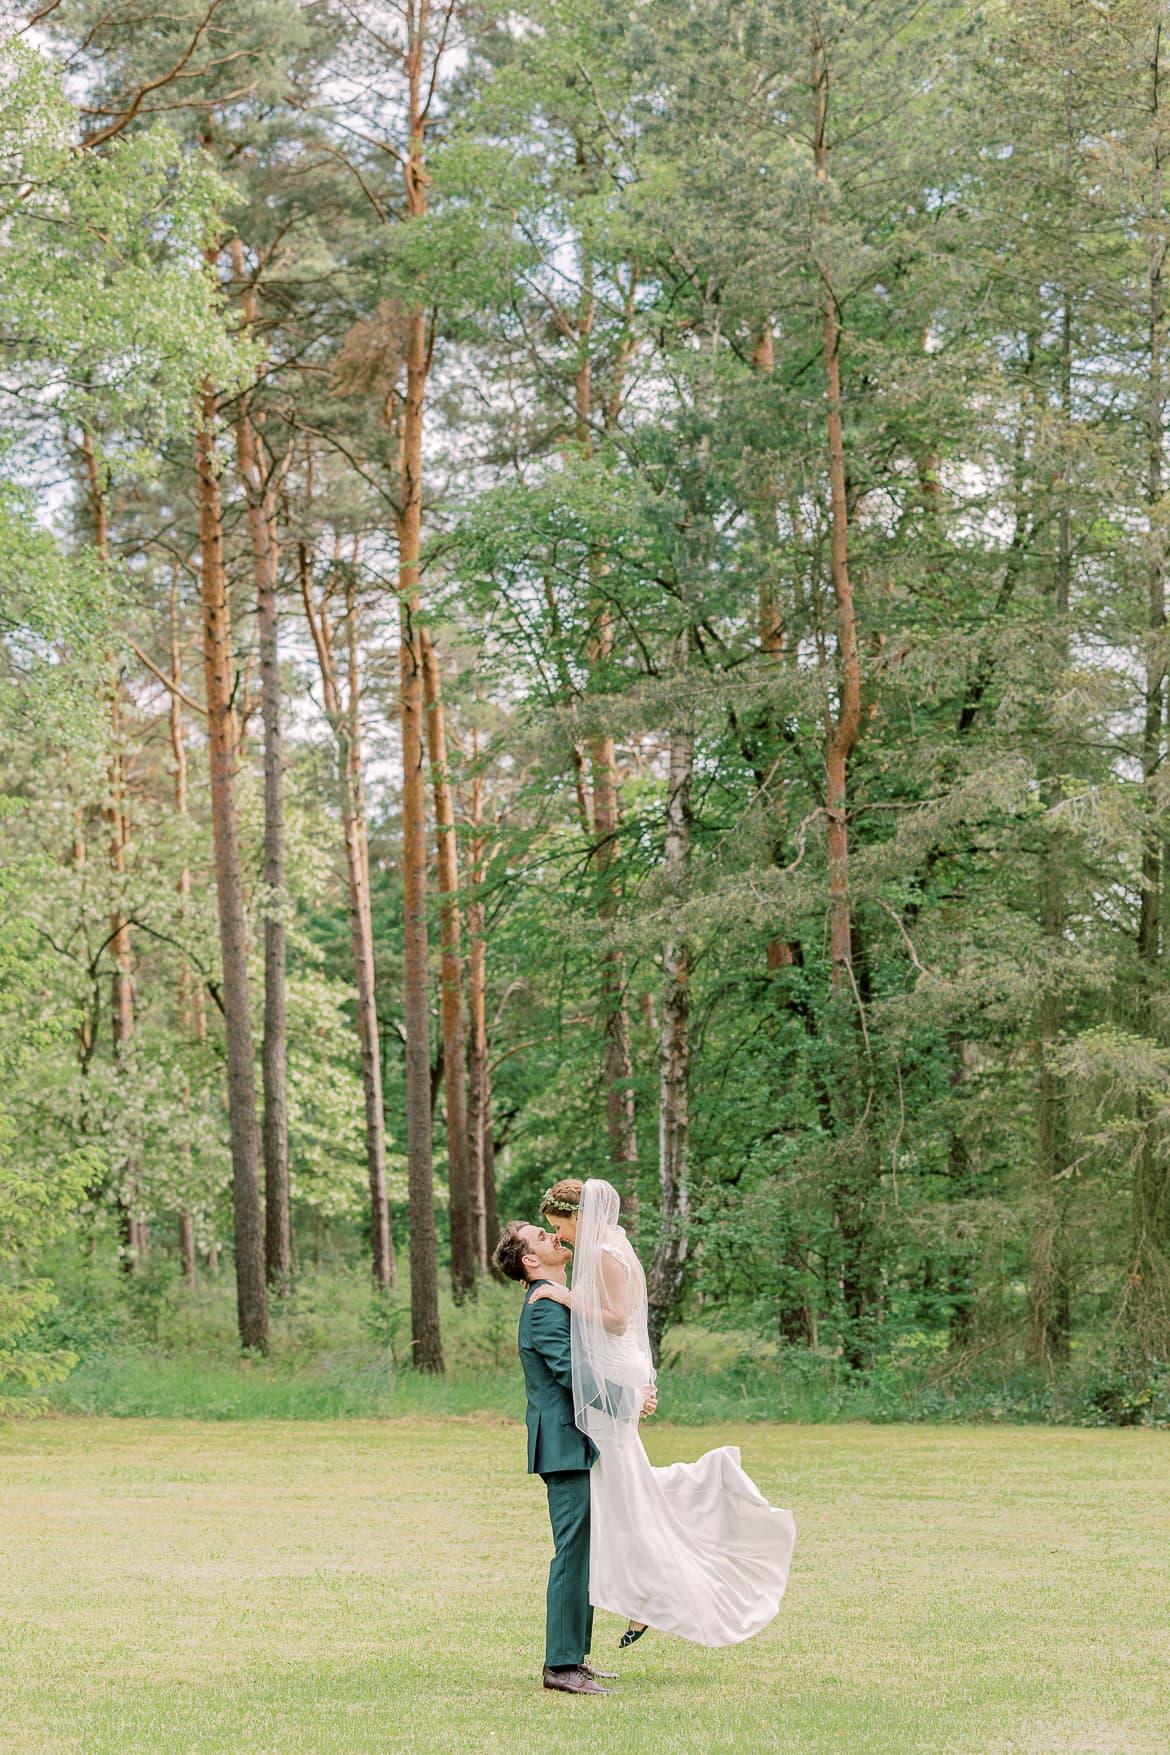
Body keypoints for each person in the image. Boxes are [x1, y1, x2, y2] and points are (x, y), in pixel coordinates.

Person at [530, 1176, 796, 1649]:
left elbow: (618, 1320)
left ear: (578, 1218)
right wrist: (639, 1383)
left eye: (558, 1226)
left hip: (610, 1379)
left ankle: (656, 1590)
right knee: (625, 1492)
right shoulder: (610, 1246)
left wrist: (566, 1297)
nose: (560, 1236)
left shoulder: (606, 1253)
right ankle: (643, 1594)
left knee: (626, 1497)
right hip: (616, 1374)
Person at [492, 1217, 649, 1696]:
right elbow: (571, 1374)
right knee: (572, 1554)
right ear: (530, 1261)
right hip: (563, 1446)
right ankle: (559, 1666)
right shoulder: (542, 1308)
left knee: (584, 1552)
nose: (553, 1234)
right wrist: (628, 1401)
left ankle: (574, 1659)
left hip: (577, 1442)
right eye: (541, 1236)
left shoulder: (558, 1301)